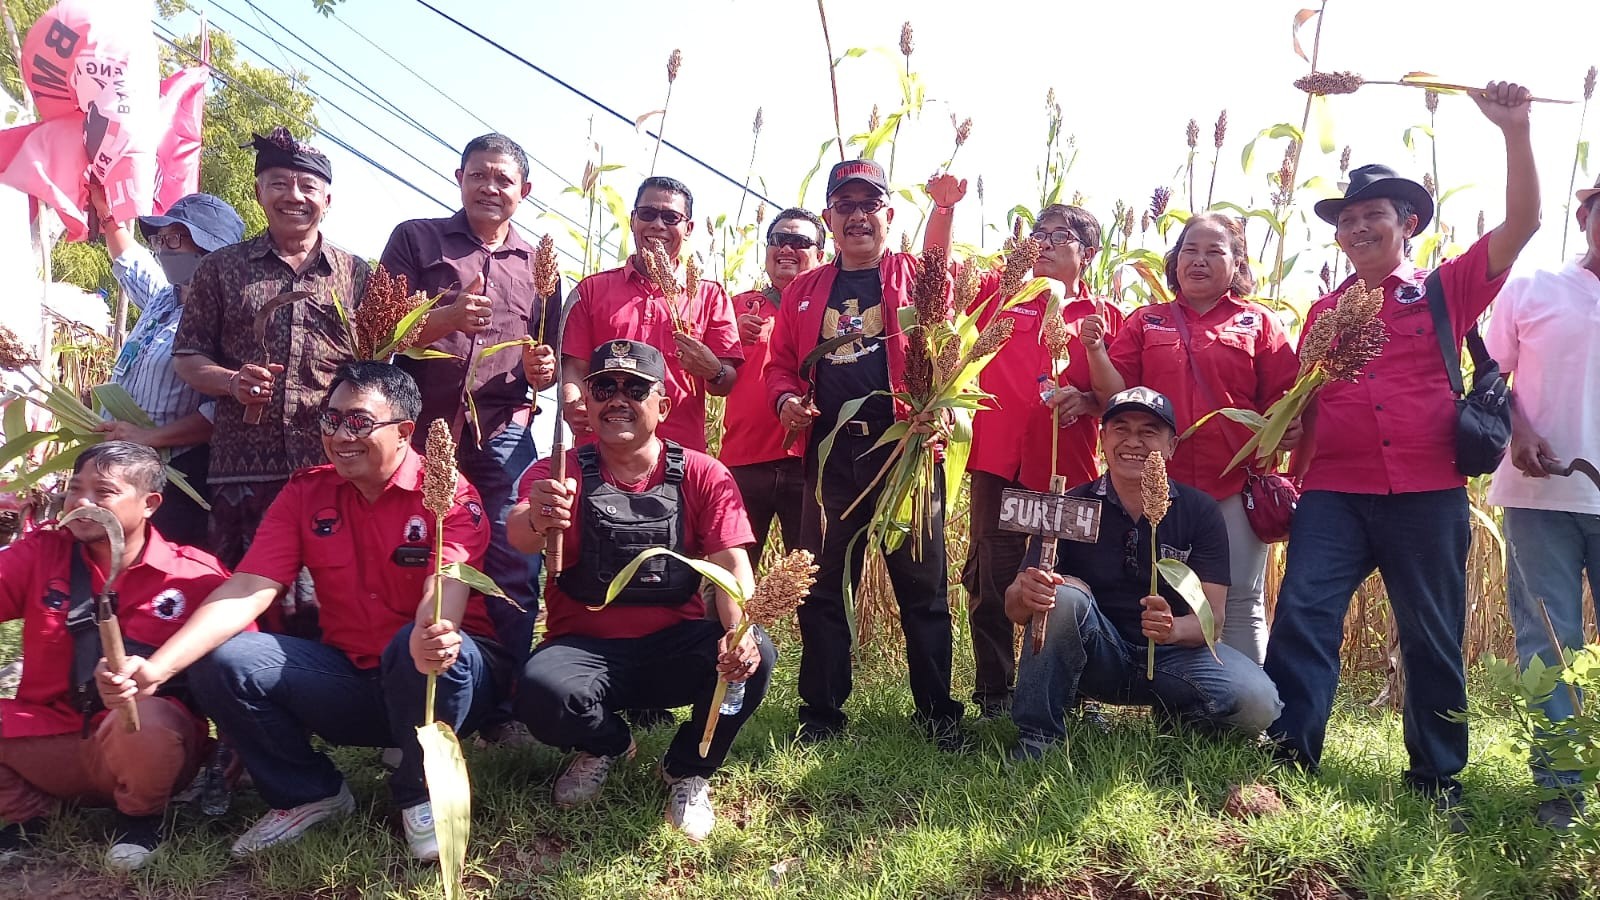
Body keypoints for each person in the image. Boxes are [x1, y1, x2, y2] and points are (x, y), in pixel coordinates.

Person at [96, 363, 509, 862]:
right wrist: (157, 668)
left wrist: (431, 630)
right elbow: (250, 586)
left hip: (446, 675)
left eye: (357, 422)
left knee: (417, 643)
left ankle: (419, 790)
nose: (339, 436)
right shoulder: (308, 492)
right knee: (225, 660)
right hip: (352, 677)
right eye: (330, 420)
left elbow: (444, 594)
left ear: (403, 432)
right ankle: (308, 793)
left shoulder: (449, 496)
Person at [1263, 81, 1540, 820]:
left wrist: (1513, 130)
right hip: (1333, 494)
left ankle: (1439, 779)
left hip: (1426, 491)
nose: (1357, 229)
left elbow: (1522, 224)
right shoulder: (1322, 311)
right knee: (1304, 617)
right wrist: (1290, 434)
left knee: (1432, 636)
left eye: (1372, 216)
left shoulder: (1445, 290)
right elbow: (1305, 404)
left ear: (1406, 223)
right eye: (1346, 221)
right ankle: (1290, 758)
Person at [507, 340, 772, 842]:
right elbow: (519, 533)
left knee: (756, 658)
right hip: (586, 648)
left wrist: (738, 633)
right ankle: (608, 743)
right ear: (587, 401)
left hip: (675, 646)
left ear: (664, 405)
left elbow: (731, 563)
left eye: (636, 388)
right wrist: (540, 514)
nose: (618, 399)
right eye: (604, 387)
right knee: (540, 691)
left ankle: (687, 769)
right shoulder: (558, 472)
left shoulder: (702, 473)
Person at [766, 158, 965, 748]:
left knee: (923, 589)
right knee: (824, 587)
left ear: (888, 215)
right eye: (844, 206)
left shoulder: (908, 273)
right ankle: (822, 714)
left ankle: (936, 714)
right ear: (829, 218)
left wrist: (945, 210)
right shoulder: (804, 291)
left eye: (868, 204)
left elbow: (941, 281)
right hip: (829, 459)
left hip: (904, 451)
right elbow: (779, 364)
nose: (857, 217)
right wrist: (786, 403)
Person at [924, 176, 1125, 717]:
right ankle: (995, 692)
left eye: (1061, 235)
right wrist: (942, 211)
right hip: (997, 466)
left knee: (1068, 580)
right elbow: (937, 278)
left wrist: (1086, 398)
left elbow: (1123, 402)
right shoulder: (999, 292)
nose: (1045, 241)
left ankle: (1073, 691)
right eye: (1039, 231)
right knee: (993, 581)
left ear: (1088, 253)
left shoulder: (1103, 317)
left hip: (1070, 473)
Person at [1007, 388, 1282, 759]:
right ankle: (1039, 738)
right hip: (1096, 656)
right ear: (1103, 439)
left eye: (1149, 431)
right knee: (1063, 594)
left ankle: (1180, 720)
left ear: (1172, 446)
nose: (1132, 442)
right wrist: (1027, 594)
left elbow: (1212, 622)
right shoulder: (1072, 504)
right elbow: (1015, 608)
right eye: (1120, 429)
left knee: (1258, 702)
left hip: (1169, 657)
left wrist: (1174, 629)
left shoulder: (1199, 511)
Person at [172, 126, 369, 634]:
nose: (294, 196)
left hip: (329, 470)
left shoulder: (357, 274)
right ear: (259, 191)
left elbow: (378, 365)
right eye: (279, 183)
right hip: (241, 474)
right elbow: (188, 355)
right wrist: (232, 381)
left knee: (329, 604)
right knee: (242, 603)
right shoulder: (221, 269)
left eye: (307, 186)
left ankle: (327, 703)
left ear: (328, 198)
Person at [0, 442, 230, 871]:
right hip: (52, 739)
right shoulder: (41, 554)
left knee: (147, 718)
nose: (82, 502)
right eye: (74, 489)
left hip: (146, 745)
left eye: (103, 492)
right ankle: (32, 815)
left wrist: (231, 764)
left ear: (150, 504)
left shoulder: (194, 575)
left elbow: (240, 673)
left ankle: (140, 820)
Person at [381, 132, 559, 677]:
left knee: (512, 557)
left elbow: (544, 357)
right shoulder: (416, 239)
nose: (490, 187)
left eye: (503, 179)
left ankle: (504, 699)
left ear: (523, 190)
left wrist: (542, 372)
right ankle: (398, 683)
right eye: (478, 175)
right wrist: (447, 318)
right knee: (411, 551)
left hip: (501, 429)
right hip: (415, 424)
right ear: (459, 179)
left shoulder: (539, 265)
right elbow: (380, 330)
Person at [1098, 213, 1299, 664]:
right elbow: (1115, 395)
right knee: (1164, 599)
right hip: (1154, 490)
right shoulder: (1146, 322)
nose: (1200, 261)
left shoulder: (1260, 324)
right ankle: (1175, 702)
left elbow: (1286, 401)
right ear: (1175, 260)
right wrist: (1094, 351)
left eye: (1215, 252)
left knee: (1240, 603)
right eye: (1190, 250)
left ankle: (1247, 713)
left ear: (1238, 263)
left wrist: (1288, 427)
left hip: (1233, 486)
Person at [1481, 173, 1600, 829]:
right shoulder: (1533, 287)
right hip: (1538, 497)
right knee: (1549, 643)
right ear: (1584, 214)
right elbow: (1487, 377)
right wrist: (1519, 431)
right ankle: (1562, 791)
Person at [86, 184, 247, 550]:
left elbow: (221, 410)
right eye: (161, 239)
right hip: (117, 463)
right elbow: (128, 259)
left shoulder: (228, 321)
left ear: (209, 251)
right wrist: (106, 211)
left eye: (175, 240)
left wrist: (148, 438)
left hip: (167, 481)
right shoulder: (163, 297)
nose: (162, 248)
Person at [561, 176, 743, 452]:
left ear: (689, 227)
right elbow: (574, 369)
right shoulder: (592, 290)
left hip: (678, 453)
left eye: (671, 217)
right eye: (648, 214)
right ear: (633, 219)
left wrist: (714, 371)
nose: (658, 225)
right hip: (600, 451)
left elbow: (724, 383)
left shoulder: (710, 296)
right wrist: (572, 402)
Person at [721, 208, 826, 560]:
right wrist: (728, 336)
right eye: (779, 240)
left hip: (810, 464)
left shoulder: (833, 309)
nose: (787, 248)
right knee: (729, 579)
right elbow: (703, 373)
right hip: (743, 462)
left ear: (821, 255)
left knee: (813, 582)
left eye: (800, 242)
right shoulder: (736, 307)